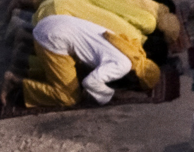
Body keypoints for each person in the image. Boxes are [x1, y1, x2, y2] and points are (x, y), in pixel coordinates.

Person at [12, 10, 144, 109]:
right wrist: (114, 94)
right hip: (52, 38)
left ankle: (23, 61)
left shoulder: (127, 48)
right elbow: (89, 82)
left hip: (51, 22)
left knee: (76, 77)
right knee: (69, 97)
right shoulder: (123, 65)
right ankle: (16, 82)